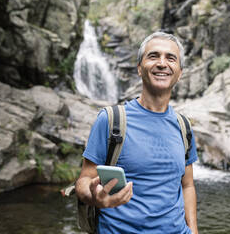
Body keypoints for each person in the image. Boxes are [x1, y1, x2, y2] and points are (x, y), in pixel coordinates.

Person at [76, 31, 199, 233]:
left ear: (180, 72)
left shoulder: (183, 126)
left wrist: (193, 231)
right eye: (153, 56)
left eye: (171, 58)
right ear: (139, 69)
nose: (162, 63)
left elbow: (187, 185)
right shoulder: (111, 120)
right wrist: (95, 196)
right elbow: (83, 181)